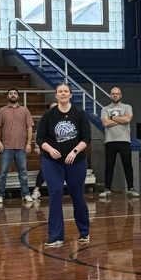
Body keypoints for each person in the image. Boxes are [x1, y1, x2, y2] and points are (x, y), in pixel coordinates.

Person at [36, 84, 92, 248]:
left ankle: (84, 231)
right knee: (55, 194)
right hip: (52, 162)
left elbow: (86, 138)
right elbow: (40, 139)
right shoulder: (48, 115)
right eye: (60, 91)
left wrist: (74, 152)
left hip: (76, 161)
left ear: (70, 95)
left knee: (77, 195)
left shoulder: (79, 113)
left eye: (66, 91)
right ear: (56, 95)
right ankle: (55, 236)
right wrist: (50, 150)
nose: (63, 93)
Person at [0, 88, 34, 206]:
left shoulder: (25, 110)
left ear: (18, 96)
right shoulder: (2, 111)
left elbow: (29, 127)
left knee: (23, 172)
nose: (13, 95)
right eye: (10, 93)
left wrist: (29, 143)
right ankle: (0, 194)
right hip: (6, 146)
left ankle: (25, 193)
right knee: (3, 172)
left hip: (21, 146)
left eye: (15, 93)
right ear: (7, 96)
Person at [99, 86, 139, 198]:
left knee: (127, 165)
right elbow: (105, 123)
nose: (115, 95)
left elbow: (127, 119)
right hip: (110, 141)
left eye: (117, 94)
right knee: (109, 165)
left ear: (120, 95)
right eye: (113, 94)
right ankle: (107, 189)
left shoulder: (127, 107)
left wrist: (112, 118)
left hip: (124, 140)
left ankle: (131, 188)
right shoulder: (105, 109)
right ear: (110, 95)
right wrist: (121, 119)